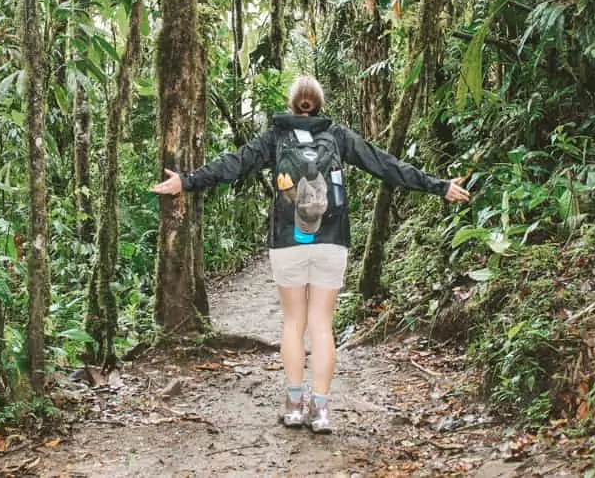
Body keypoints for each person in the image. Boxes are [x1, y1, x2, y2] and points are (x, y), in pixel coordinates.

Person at [151, 76, 470, 433]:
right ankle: (321, 410)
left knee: (293, 324)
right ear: (319, 104)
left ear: (293, 105)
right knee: (321, 325)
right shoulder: (338, 136)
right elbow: (384, 164)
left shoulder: (274, 137)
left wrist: (187, 180)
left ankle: (293, 405)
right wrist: (438, 186)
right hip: (332, 240)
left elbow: (234, 164)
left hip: (288, 242)